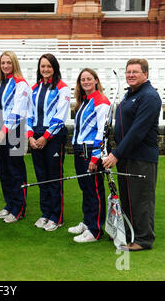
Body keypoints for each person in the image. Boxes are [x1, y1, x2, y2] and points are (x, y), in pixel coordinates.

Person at [103, 58, 161, 251]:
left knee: (141, 199)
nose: (130, 75)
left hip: (141, 158)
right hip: (127, 156)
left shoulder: (149, 96)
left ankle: (143, 240)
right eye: (128, 72)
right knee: (128, 198)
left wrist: (116, 153)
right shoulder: (131, 94)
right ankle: (129, 233)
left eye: (135, 72)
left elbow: (137, 130)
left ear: (146, 73)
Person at [26, 54, 70, 231]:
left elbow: (60, 117)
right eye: (42, 66)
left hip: (53, 138)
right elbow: (28, 114)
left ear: (55, 68)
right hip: (35, 137)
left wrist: (45, 137)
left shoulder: (62, 88)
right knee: (41, 178)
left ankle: (56, 217)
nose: (45, 69)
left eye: (49, 66)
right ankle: (45, 213)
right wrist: (30, 136)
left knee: (54, 178)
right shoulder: (34, 88)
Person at [0, 51, 30, 223]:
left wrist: (3, 132)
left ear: (14, 64)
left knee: (16, 170)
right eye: (3, 63)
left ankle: (19, 208)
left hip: (13, 132)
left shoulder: (21, 84)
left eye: (8, 63)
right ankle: (9, 204)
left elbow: (17, 111)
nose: (5, 66)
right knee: (3, 169)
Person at [69, 68, 110, 242]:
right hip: (80, 150)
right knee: (85, 189)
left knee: (94, 191)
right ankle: (88, 222)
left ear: (96, 81)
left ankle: (96, 229)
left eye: (88, 79)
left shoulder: (101, 101)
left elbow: (102, 132)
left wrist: (95, 157)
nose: (85, 82)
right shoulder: (85, 101)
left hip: (90, 152)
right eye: (82, 80)